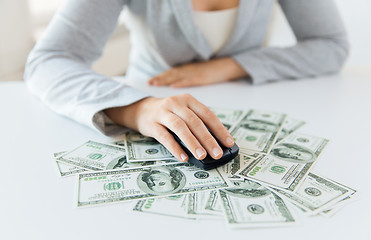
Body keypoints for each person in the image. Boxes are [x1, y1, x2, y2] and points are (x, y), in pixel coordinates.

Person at [24, 0, 349, 163]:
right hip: (150, 102)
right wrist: (137, 109)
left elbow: (331, 45)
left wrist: (230, 66)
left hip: (252, 100)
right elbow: (48, 60)